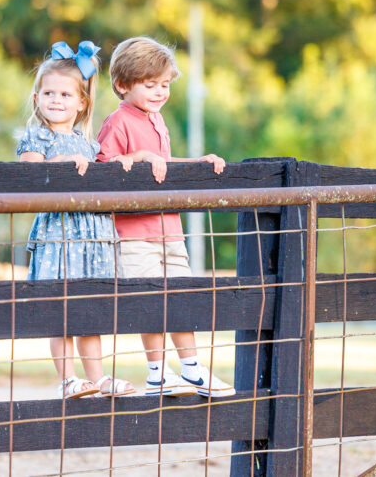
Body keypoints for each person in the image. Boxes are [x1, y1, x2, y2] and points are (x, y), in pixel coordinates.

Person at [96, 36, 235, 398]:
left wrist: (198, 163)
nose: (160, 92)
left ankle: (191, 368)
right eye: (150, 85)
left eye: (165, 85)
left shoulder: (158, 121)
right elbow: (104, 167)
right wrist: (138, 157)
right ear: (122, 85)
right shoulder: (117, 122)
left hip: (169, 230)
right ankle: (157, 374)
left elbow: (165, 165)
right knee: (152, 302)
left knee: (181, 297)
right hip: (134, 233)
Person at [17, 41, 136, 399]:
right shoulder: (37, 136)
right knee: (61, 309)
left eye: (66, 94)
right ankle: (68, 378)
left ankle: (97, 379)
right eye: (48, 93)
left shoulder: (88, 143)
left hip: (92, 235)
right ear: (36, 98)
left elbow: (102, 171)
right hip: (60, 232)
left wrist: (121, 163)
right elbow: (29, 175)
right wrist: (63, 162)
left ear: (82, 102)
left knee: (89, 309)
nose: (56, 100)